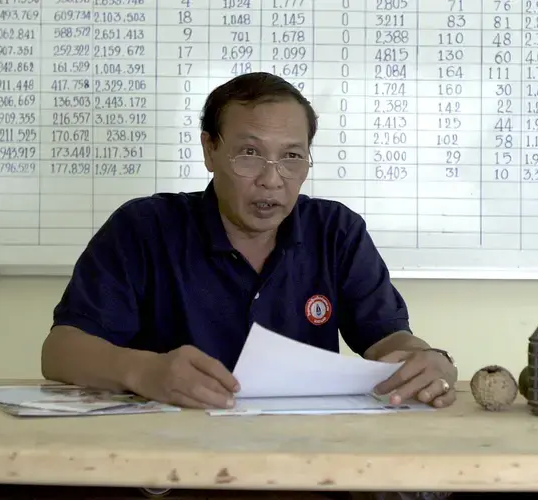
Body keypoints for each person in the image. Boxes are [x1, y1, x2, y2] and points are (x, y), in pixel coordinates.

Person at [40, 72, 458, 413]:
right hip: (169, 461)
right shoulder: (143, 228)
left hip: (302, 463)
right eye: (250, 153)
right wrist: (143, 371)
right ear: (210, 150)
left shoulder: (335, 232)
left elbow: (389, 340)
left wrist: (427, 360)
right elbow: (61, 351)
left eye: (292, 157)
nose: (272, 179)